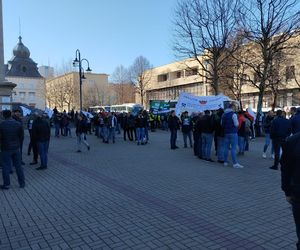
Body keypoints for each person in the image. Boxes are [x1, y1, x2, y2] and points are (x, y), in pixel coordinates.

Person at [280, 132, 300, 249]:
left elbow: (285, 169)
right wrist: (287, 190)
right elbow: (285, 168)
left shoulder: (292, 141)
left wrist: (287, 191)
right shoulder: (292, 141)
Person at [0, 110, 25, 189]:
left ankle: (6, 184)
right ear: (11, 115)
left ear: (3, 116)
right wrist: (18, 143)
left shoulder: (1, 124)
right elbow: (21, 136)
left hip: (5, 148)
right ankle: (22, 183)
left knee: (5, 166)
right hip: (16, 148)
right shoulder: (18, 124)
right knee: (18, 166)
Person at [221, 103, 244, 168]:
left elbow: (221, 124)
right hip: (233, 132)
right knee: (233, 148)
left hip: (226, 132)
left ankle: (225, 162)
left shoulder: (224, 114)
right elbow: (236, 124)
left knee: (226, 147)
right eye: (234, 107)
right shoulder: (233, 114)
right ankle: (235, 163)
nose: (235, 109)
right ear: (232, 107)